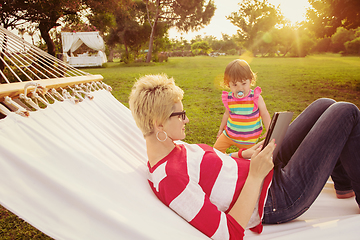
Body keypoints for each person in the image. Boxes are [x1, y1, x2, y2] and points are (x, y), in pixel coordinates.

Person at [129, 73, 360, 240]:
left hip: (260, 170)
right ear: (158, 124)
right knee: (346, 112)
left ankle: (343, 185)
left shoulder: (172, 146)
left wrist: (244, 154)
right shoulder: (171, 179)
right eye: (180, 115)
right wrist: (255, 175)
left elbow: (210, 166)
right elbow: (228, 232)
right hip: (275, 198)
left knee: (325, 104)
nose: (186, 120)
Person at [214, 59, 271, 154]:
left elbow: (264, 114)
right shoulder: (229, 98)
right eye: (235, 84)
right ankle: (226, 163)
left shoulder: (255, 98)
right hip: (229, 135)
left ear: (251, 80)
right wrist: (221, 129)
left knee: (248, 160)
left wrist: (269, 128)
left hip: (248, 140)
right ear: (228, 84)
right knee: (216, 152)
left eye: (244, 83)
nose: (240, 88)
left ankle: (234, 158)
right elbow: (226, 114)